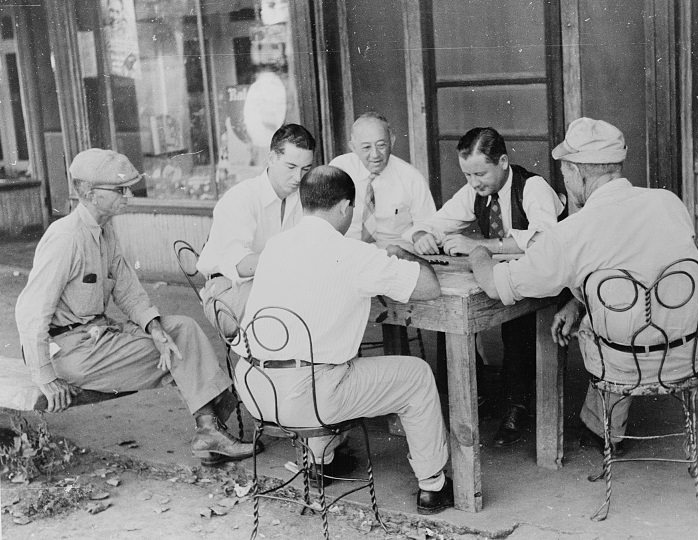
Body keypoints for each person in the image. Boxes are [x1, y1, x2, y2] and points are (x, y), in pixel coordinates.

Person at [469, 118, 698, 455]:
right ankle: (598, 427)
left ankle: (604, 432)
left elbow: (498, 285)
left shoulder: (574, 231)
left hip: (628, 362)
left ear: (575, 172)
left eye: (565, 172)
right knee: (619, 313)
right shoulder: (668, 202)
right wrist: (577, 303)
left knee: (601, 327)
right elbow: (642, 272)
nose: (565, 179)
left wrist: (480, 252)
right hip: (691, 353)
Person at [15, 148, 258, 466]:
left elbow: (129, 292)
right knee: (181, 353)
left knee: (180, 330)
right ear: (89, 192)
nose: (128, 195)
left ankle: (210, 429)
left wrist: (155, 329)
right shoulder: (65, 238)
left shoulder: (105, 232)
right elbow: (30, 312)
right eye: (119, 190)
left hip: (97, 339)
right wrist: (45, 378)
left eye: (128, 188)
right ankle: (210, 429)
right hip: (72, 353)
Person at [234, 165, 454, 514]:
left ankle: (322, 461)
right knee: (416, 376)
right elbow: (429, 287)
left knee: (327, 359)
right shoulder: (353, 254)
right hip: (307, 396)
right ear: (344, 208)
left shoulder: (275, 247)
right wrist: (400, 252)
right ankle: (433, 486)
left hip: (256, 390)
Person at [403, 127, 565, 447]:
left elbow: (546, 242)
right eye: (467, 174)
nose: (473, 182)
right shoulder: (475, 191)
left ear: (503, 161)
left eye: (479, 173)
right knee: (448, 315)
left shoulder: (533, 188)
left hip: (550, 282)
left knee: (516, 324)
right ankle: (476, 397)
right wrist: (424, 234)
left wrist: (481, 245)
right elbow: (437, 222)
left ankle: (517, 406)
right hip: (506, 276)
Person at [196, 124, 315, 334]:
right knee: (304, 311)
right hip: (227, 294)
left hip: (273, 286)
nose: (298, 177)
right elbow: (241, 266)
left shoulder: (301, 198)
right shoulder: (241, 198)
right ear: (271, 158)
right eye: (291, 167)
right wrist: (293, 256)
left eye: (306, 169)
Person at [329, 112, 436, 248]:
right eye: (366, 147)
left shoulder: (411, 178)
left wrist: (421, 234)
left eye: (381, 145)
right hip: (349, 253)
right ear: (353, 147)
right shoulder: (339, 170)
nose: (375, 155)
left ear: (392, 140)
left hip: (396, 254)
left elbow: (428, 224)